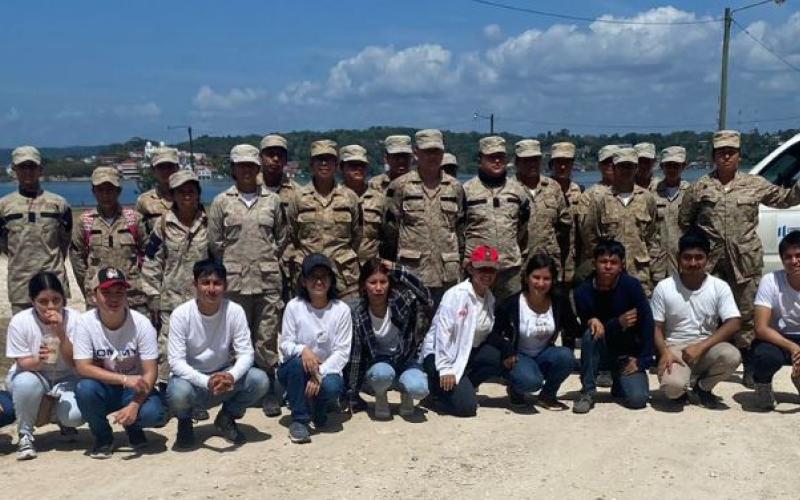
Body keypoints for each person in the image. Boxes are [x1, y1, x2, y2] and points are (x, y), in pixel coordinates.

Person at [679, 130, 800, 388]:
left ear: (738, 156)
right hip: (711, 265)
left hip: (744, 262)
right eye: (721, 152)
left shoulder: (754, 184)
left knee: (747, 315)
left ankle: (749, 365)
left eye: (730, 152)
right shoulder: (700, 187)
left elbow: (786, 198)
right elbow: (685, 220)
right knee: (707, 313)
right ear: (713, 156)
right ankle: (706, 363)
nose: (725, 156)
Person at [208, 144, 287, 416]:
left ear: (258, 169)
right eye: (240, 166)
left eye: (250, 166)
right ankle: (238, 392)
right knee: (236, 340)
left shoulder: (272, 201)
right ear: (232, 169)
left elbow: (282, 238)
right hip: (235, 282)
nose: (246, 171)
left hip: (267, 281)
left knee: (266, 339)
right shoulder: (221, 202)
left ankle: (268, 392)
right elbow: (215, 243)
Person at [166, 260, 270, 448]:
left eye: (217, 283)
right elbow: (176, 362)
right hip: (192, 379)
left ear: (225, 286)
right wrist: (206, 381)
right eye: (205, 283)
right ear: (195, 285)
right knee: (178, 392)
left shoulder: (234, 311)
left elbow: (246, 353)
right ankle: (185, 422)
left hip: (222, 374)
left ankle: (227, 417)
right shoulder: (181, 314)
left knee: (259, 380)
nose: (211, 289)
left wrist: (231, 375)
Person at [73, 267, 166, 459]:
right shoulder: (84, 323)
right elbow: (82, 367)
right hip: (105, 388)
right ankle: (103, 437)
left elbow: (150, 372)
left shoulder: (141, 324)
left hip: (135, 389)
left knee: (154, 414)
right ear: (94, 295)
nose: (113, 299)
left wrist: (135, 404)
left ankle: (133, 427)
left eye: (119, 292)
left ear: (126, 295)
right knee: (84, 389)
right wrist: (124, 378)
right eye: (106, 292)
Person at [652, 230, 741, 407]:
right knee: (672, 388)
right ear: (679, 258)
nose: (693, 263)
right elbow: (656, 326)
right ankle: (682, 386)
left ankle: (702, 388)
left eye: (699, 257)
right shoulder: (664, 287)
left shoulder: (719, 287)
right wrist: (664, 352)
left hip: (706, 347)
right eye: (687, 257)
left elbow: (734, 322)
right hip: (675, 349)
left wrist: (701, 346)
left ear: (708, 259)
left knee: (732, 356)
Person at [5, 272, 83, 460]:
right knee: (26, 384)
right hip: (32, 373)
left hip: (67, 375)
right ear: (33, 301)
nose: (51, 307)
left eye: (56, 300)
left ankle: (59, 418)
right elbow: (23, 362)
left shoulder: (76, 319)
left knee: (75, 415)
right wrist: (39, 360)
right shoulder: (21, 321)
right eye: (43, 301)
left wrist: (61, 334)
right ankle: (25, 434)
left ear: (63, 299)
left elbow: (76, 362)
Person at [141, 170, 209, 384]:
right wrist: (153, 296)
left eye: (191, 191)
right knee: (168, 346)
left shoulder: (209, 223)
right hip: (171, 299)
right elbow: (151, 263)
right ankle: (166, 387)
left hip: (203, 299)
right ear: (173, 195)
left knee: (200, 345)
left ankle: (198, 390)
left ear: (198, 193)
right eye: (181, 191)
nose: (187, 195)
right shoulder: (162, 225)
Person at [384, 129, 465, 306]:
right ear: (416, 153)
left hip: (446, 274)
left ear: (443, 153)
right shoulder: (399, 186)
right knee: (412, 328)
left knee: (446, 327)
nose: (432, 156)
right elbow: (390, 230)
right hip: (412, 273)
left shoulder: (455, 187)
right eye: (427, 151)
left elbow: (460, 229)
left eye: (436, 151)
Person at [572, 240, 654, 414]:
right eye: (603, 262)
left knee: (638, 400)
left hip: (626, 354)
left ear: (622, 265)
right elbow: (585, 331)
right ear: (594, 263)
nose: (608, 267)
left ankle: (619, 381)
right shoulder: (583, 291)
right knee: (591, 333)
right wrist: (616, 323)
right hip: (600, 353)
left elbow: (647, 323)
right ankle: (588, 391)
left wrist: (643, 360)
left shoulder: (631, 286)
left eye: (613, 262)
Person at [278, 254, 352, 444]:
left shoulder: (341, 309)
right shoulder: (294, 307)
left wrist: (319, 373)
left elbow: (342, 352)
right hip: (297, 369)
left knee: (332, 386)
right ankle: (299, 420)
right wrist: (303, 350)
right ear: (303, 281)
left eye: (324, 277)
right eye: (313, 277)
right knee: (295, 365)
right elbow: (285, 344)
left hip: (326, 370)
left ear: (331, 280)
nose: (319, 281)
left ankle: (319, 407)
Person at [488, 254, 578, 410]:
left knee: (566, 357)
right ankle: (516, 389)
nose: (541, 283)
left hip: (544, 353)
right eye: (536, 277)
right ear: (527, 278)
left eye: (546, 279)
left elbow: (573, 328)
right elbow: (493, 333)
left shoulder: (559, 301)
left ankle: (548, 396)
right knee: (531, 382)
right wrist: (506, 351)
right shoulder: (512, 304)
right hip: (519, 355)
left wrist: (594, 321)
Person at [347, 259, 433, 419]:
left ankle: (406, 393)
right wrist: (352, 394)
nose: (378, 288)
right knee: (381, 374)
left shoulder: (401, 301)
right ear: (363, 286)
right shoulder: (358, 313)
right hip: (380, 365)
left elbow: (426, 296)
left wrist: (398, 270)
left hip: (406, 361)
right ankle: (380, 395)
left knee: (419, 389)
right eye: (372, 282)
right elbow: (356, 355)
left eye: (383, 282)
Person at [421, 246, 501, 417]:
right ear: (471, 268)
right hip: (442, 356)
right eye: (482, 269)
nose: (487, 274)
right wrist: (445, 368)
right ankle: (437, 393)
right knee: (467, 409)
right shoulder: (456, 295)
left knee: (498, 358)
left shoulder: (489, 298)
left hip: (466, 354)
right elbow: (443, 334)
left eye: (491, 269)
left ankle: (464, 386)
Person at [0, 146, 72, 314]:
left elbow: (64, 241)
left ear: (40, 169)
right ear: (14, 169)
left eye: (32, 166)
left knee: (56, 334)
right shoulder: (4, 206)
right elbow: (4, 245)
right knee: (24, 336)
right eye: (22, 167)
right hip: (20, 285)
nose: (27, 171)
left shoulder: (59, 204)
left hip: (53, 282)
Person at [287, 140, 362, 299]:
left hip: (343, 277)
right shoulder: (298, 198)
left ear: (336, 164)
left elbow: (357, 235)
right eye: (319, 159)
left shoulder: (350, 198)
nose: (323, 163)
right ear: (311, 164)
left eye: (328, 159)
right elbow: (291, 235)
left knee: (347, 321)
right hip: (308, 277)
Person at [582, 147, 662, 296]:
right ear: (613, 168)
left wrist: (654, 268)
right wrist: (603, 263)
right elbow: (590, 235)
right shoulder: (600, 200)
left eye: (630, 166)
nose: (626, 170)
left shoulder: (646, 198)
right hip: (609, 275)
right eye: (622, 166)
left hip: (639, 272)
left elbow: (652, 237)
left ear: (636, 168)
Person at [70, 166, 147, 312]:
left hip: (133, 297)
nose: (105, 195)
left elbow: (147, 256)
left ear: (119, 191)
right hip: (98, 298)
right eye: (100, 190)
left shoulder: (134, 220)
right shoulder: (86, 222)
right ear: (93, 192)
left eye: (110, 190)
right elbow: (77, 258)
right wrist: (89, 284)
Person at [463, 136, 529, 301]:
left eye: (501, 156)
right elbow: (459, 229)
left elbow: (522, 227)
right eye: (491, 157)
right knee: (477, 320)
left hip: (509, 269)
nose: (497, 160)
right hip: (478, 269)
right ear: (481, 159)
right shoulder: (466, 191)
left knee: (510, 319)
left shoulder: (518, 191)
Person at [752, 230, 800, 409]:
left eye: (798, 255)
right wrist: (793, 347)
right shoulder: (770, 281)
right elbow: (761, 328)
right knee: (765, 357)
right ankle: (762, 385)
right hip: (778, 337)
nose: (794, 261)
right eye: (788, 257)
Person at [514, 139, 571, 285]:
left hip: (549, 263)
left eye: (535, 160)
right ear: (517, 162)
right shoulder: (510, 189)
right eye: (526, 160)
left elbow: (564, 224)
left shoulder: (553, 187)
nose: (532, 164)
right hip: (520, 264)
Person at [339, 144, 387, 264]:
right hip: (341, 266)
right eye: (353, 165)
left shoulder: (380, 199)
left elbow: (388, 234)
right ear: (341, 167)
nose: (358, 169)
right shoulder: (334, 198)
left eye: (362, 165)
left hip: (371, 268)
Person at [653, 146, 690, 279]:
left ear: (684, 166)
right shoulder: (652, 194)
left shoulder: (691, 193)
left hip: (683, 260)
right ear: (662, 167)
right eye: (668, 165)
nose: (672, 170)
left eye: (676, 166)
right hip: (658, 262)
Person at [548, 142, 583, 285]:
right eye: (558, 163)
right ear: (551, 164)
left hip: (572, 263)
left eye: (567, 163)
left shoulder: (580, 192)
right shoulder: (543, 191)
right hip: (548, 261)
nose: (562, 167)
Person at [576, 145, 617, 267]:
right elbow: (588, 235)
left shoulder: (634, 192)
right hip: (604, 263)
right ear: (599, 165)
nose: (610, 165)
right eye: (606, 162)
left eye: (613, 162)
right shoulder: (589, 195)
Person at [135, 147, 179, 235]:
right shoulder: (144, 201)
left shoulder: (188, 197)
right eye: (161, 167)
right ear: (153, 170)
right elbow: (138, 234)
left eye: (169, 166)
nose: (166, 171)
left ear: (177, 168)